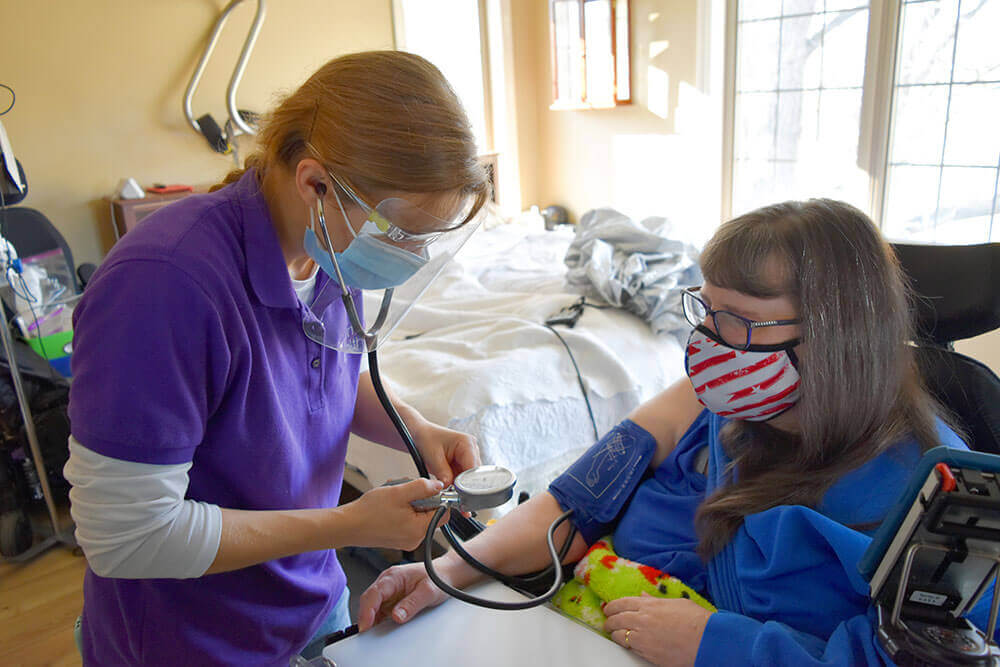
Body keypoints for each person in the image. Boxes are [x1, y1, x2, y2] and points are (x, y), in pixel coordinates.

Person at [357, 199, 982, 665]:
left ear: (835, 336)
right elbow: (576, 501)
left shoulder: (930, 492)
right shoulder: (712, 405)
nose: (705, 341)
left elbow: (922, 656)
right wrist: (449, 571)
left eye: (737, 321)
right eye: (703, 307)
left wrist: (719, 646)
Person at [63, 51, 491, 665]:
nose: (412, 257)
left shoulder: (327, 252)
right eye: (400, 234)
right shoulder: (162, 286)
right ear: (315, 183)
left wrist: (416, 430)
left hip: (312, 606)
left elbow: (323, 373)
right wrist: (352, 525)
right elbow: (127, 537)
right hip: (193, 640)